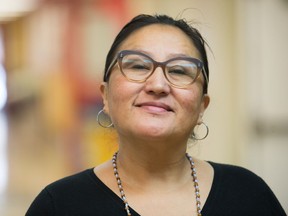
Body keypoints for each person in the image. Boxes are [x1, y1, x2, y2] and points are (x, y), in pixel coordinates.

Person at [25, 14, 286, 216]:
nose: (158, 85)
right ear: (105, 96)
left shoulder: (249, 195)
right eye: (138, 65)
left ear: (202, 107)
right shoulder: (59, 205)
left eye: (180, 71)